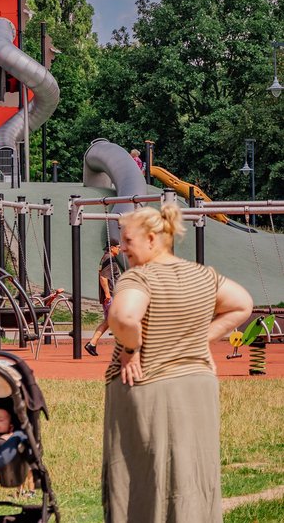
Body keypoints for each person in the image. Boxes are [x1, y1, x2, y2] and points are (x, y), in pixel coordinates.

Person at [103, 204, 252, 522]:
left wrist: (131, 348)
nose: (123, 248)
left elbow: (124, 315)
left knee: (143, 477)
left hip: (147, 388)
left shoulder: (138, 277)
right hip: (198, 388)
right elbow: (242, 304)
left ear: (152, 238)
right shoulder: (203, 275)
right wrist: (203, 339)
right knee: (192, 475)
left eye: (128, 240)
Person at [85, 239, 121, 356]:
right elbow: (103, 278)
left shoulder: (107, 258)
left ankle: (92, 343)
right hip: (111, 295)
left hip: (111, 295)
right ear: (111, 247)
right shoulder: (108, 259)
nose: (119, 249)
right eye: (118, 247)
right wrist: (107, 294)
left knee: (108, 321)